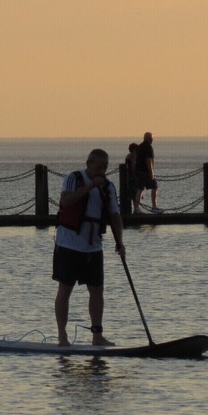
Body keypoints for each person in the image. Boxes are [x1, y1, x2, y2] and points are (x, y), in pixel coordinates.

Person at [53, 148, 126, 346]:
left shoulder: (108, 187)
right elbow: (66, 201)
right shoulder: (73, 178)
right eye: (99, 167)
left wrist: (120, 242)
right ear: (89, 164)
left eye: (105, 168)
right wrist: (90, 186)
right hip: (68, 244)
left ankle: (97, 335)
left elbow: (115, 216)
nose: (102, 171)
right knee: (65, 289)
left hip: (93, 247)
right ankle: (62, 336)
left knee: (97, 291)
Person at [133, 132, 160, 212]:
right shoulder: (148, 147)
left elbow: (135, 160)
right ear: (148, 139)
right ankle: (154, 207)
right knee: (155, 187)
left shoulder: (139, 147)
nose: (152, 140)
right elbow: (148, 160)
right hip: (146, 172)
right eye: (151, 139)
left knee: (139, 189)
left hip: (139, 171)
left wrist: (134, 171)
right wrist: (151, 173)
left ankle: (136, 208)